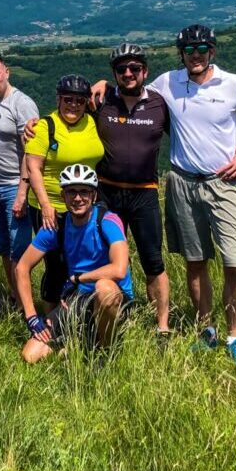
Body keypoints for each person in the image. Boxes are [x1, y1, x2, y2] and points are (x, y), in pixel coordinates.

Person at [147, 24, 236, 365]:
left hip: (224, 183)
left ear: (213, 51)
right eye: (189, 49)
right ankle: (206, 330)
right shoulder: (167, 82)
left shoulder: (233, 84)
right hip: (182, 182)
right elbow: (133, 93)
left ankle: (234, 336)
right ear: (181, 54)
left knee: (235, 264)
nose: (196, 54)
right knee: (195, 262)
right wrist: (103, 85)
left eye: (202, 48)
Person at [15, 165, 133, 364]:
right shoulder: (57, 225)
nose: (78, 198)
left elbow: (119, 269)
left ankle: (104, 354)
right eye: (71, 191)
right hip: (77, 299)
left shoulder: (107, 221)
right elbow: (22, 268)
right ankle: (82, 341)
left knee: (104, 288)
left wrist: (78, 279)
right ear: (63, 196)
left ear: (94, 196)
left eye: (84, 191)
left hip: (113, 297)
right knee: (30, 356)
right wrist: (32, 317)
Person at [94, 42, 173, 338]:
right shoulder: (101, 101)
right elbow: (69, 116)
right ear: (114, 73)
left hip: (145, 194)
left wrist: (224, 150)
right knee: (108, 260)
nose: (128, 73)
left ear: (145, 71)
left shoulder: (159, 103)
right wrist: (34, 125)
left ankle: (162, 327)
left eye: (135, 68)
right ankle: (112, 315)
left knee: (153, 260)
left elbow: (191, 132)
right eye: (121, 69)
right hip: (108, 194)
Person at [23, 74, 104, 305]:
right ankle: (51, 315)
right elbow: (34, 168)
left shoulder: (92, 122)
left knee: (84, 258)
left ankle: (81, 307)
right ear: (58, 99)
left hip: (84, 205)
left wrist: (104, 82)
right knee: (56, 262)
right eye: (68, 99)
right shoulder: (44, 127)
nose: (73, 105)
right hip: (51, 206)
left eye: (80, 101)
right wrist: (46, 206)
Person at [0, 53, 40, 302]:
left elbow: (31, 151)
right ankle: (14, 296)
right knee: (2, 246)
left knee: (19, 250)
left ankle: (27, 305)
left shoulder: (21, 104)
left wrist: (23, 192)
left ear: (7, 72)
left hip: (14, 186)